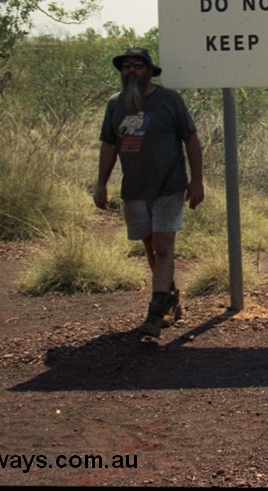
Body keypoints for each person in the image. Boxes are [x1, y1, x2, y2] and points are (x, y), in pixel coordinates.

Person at [93, 47, 205, 338]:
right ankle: (170, 298)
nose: (131, 71)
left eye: (137, 65)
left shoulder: (169, 100)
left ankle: (155, 315)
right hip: (135, 188)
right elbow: (108, 145)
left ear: (149, 71)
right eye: (126, 66)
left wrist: (197, 180)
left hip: (169, 185)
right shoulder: (115, 105)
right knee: (150, 246)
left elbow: (190, 139)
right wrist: (101, 183)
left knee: (164, 245)